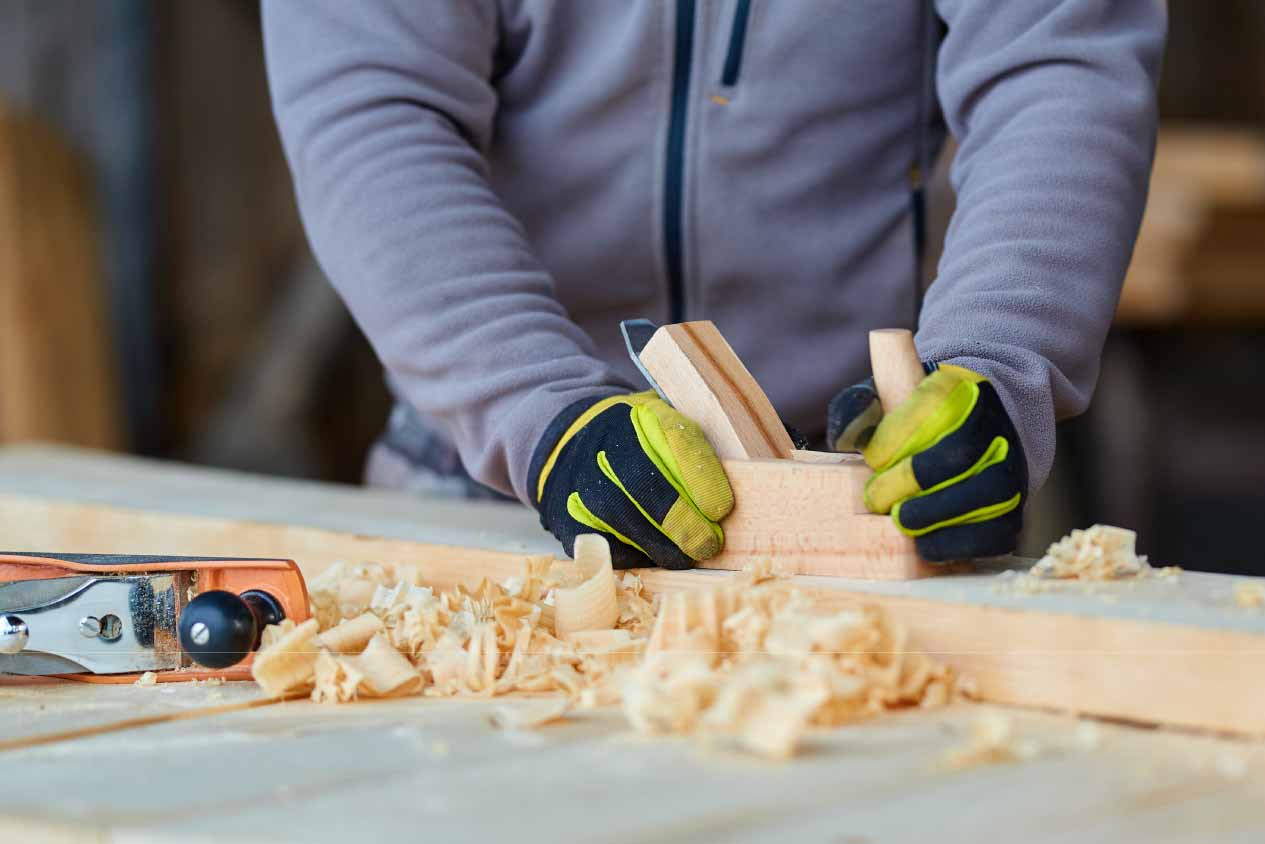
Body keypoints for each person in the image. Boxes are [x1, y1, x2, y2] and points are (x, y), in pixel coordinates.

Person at [262, 1, 1164, 569]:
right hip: (491, 489)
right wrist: (535, 407)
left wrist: (1000, 360)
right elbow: (374, 109)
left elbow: (1054, 65)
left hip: (854, 507)